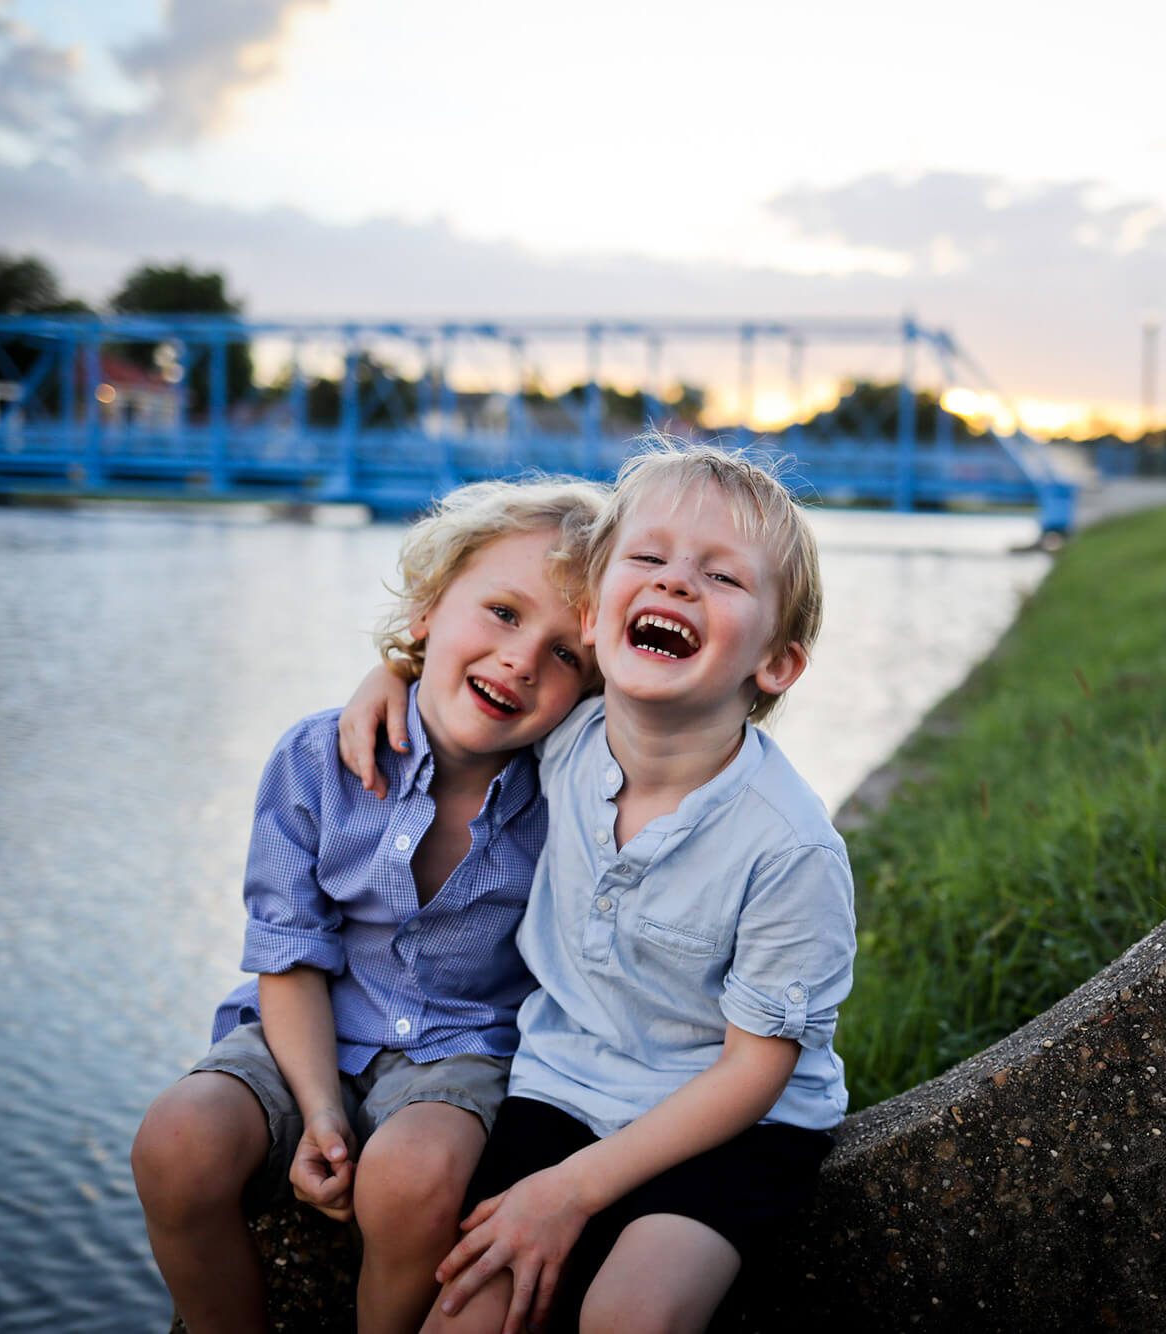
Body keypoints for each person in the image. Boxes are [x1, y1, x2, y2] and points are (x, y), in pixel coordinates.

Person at [339, 439, 856, 1334]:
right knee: (469, 1309)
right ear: (593, 615)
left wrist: (572, 1193)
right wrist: (392, 673)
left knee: (632, 1315)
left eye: (723, 578)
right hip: (567, 1086)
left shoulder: (790, 847)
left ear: (776, 664)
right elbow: (477, 689)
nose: (677, 583)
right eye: (648, 559)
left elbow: (754, 1074)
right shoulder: (565, 739)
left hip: (728, 1124)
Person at [130, 478, 606, 1334]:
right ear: (428, 608)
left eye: (567, 654)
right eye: (501, 612)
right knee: (178, 1142)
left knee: (413, 1180)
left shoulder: (568, 791)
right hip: (305, 1032)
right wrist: (317, 1112)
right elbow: (290, 955)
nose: (523, 658)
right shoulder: (319, 759)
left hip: (462, 1050)